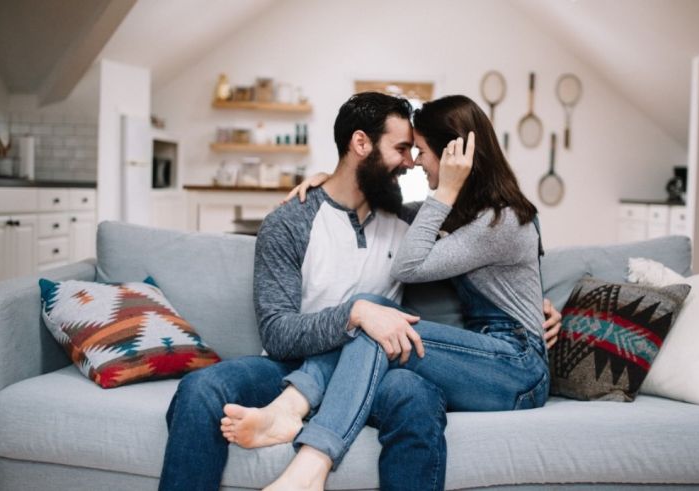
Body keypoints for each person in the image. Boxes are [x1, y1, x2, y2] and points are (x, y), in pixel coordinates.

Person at [221, 94, 557, 491]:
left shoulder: (500, 221)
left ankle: (310, 456)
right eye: (408, 150)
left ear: (456, 157)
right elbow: (412, 227)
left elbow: (408, 265)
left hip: (517, 368)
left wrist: (446, 188)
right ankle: (294, 420)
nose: (416, 162)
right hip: (487, 354)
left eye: (422, 151)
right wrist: (323, 185)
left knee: (376, 321)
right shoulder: (470, 215)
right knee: (375, 313)